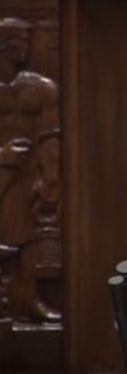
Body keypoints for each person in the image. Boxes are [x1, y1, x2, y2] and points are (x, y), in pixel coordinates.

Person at [0, 16, 61, 323]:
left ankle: (26, 299)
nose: (23, 46)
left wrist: (50, 178)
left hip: (25, 177)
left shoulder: (41, 88)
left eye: (26, 40)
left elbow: (51, 137)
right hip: (2, 170)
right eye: (16, 40)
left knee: (27, 240)